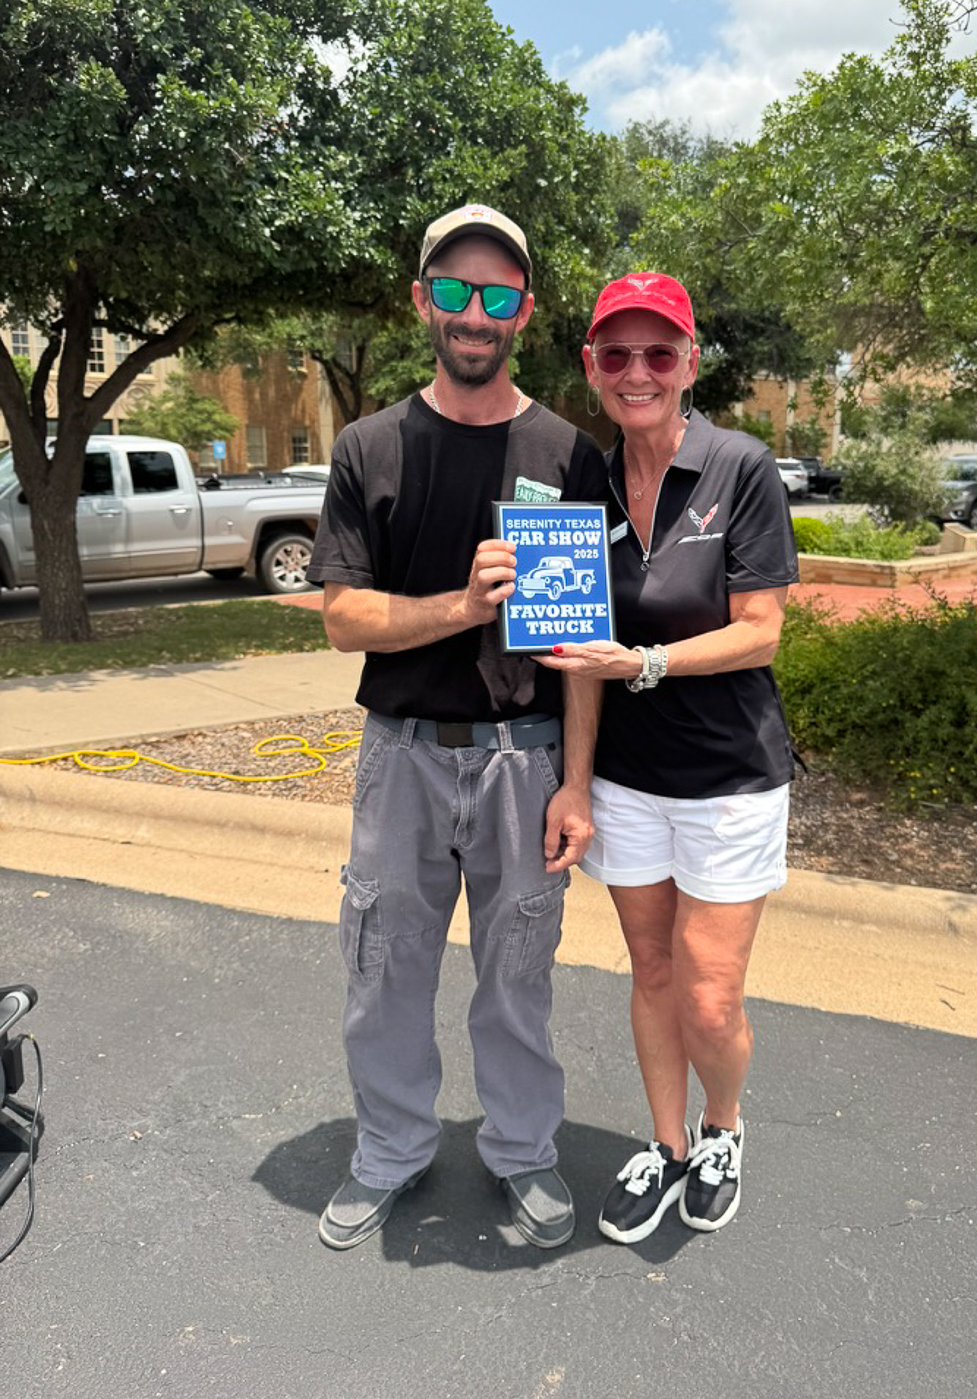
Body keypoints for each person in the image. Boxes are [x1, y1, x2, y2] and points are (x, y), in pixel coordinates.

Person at [307, 204, 606, 1251]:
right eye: (453, 290)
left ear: (523, 311)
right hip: (403, 759)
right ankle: (389, 1150)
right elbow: (344, 618)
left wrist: (576, 782)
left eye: (497, 294)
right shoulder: (369, 447)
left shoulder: (568, 453)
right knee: (385, 967)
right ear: (420, 300)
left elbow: (578, 644)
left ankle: (521, 1150)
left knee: (518, 974)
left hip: (526, 763)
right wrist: (464, 607)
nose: (474, 313)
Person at [539, 272, 798, 1244]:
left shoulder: (740, 466)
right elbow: (577, 656)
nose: (637, 371)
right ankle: (665, 1142)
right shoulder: (583, 484)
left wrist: (643, 661)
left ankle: (722, 1127)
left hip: (729, 779)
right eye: (617, 354)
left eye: (659, 352)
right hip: (627, 782)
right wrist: (574, 784)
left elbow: (760, 631)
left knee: (707, 992)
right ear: (592, 367)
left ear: (690, 363)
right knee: (650, 971)